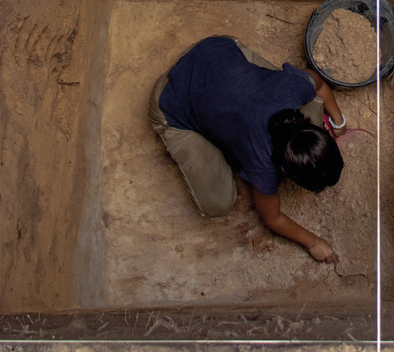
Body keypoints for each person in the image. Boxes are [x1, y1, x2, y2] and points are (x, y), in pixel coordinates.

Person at [147, 35, 346, 263]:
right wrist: (313, 242)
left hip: (213, 51)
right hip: (171, 98)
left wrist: (339, 121)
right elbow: (272, 219)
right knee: (219, 203)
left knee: (313, 108)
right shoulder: (262, 165)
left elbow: (318, 83)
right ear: (282, 168)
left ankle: (223, 121)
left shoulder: (293, 88)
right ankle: (206, 130)